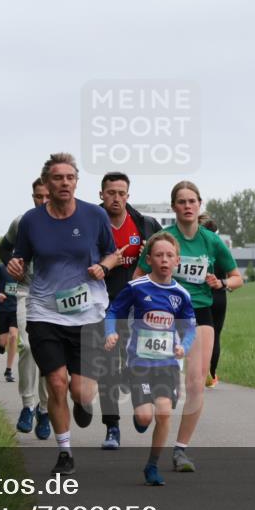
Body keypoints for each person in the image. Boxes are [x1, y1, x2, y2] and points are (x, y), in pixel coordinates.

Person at [8, 153, 118, 475]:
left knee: (80, 391)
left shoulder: (94, 216)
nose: (65, 183)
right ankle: (65, 451)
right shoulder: (31, 221)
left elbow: (112, 253)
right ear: (47, 183)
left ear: (76, 181)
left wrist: (104, 266)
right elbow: (19, 260)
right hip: (45, 312)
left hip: (87, 315)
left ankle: (83, 403)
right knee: (56, 382)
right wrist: (14, 266)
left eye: (70, 177)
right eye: (58, 178)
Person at [134, 181, 243, 473]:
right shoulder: (162, 239)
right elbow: (139, 274)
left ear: (199, 204)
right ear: (174, 207)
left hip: (200, 313)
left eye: (192, 201)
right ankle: (144, 410)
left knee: (196, 383)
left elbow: (236, 277)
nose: (187, 206)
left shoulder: (211, 241)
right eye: (181, 201)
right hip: (163, 314)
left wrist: (221, 283)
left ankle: (181, 450)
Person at [105, 232, 196, 486]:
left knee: (164, 413)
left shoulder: (181, 294)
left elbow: (190, 327)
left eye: (169, 255)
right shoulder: (136, 288)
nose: (164, 260)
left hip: (167, 363)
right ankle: (139, 412)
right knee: (145, 417)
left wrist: (184, 347)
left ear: (177, 260)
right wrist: (110, 332)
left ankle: (152, 465)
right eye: (158, 255)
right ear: (149, 258)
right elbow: (113, 311)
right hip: (140, 364)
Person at [98, 172, 162, 449]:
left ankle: (140, 408)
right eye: (111, 192)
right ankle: (112, 428)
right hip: (102, 302)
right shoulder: (91, 223)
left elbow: (166, 253)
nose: (116, 198)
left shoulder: (145, 225)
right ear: (101, 195)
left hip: (137, 303)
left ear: (128, 195)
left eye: (121, 193)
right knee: (108, 366)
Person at [0, 177, 52, 439]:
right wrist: (11, 264)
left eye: (47, 197)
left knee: (49, 355)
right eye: (37, 197)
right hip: (28, 291)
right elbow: (4, 248)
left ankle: (44, 409)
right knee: (28, 346)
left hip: (58, 297)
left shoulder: (71, 222)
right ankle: (28, 405)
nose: (42, 202)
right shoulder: (22, 222)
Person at [199, 214, 229, 388]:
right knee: (215, 336)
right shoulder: (220, 247)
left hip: (203, 295)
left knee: (200, 336)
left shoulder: (197, 249)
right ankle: (211, 374)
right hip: (220, 295)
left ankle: (199, 373)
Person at [0, 262, 19, 382]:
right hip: (3, 308)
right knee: (3, 342)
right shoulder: (1, 267)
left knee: (13, 336)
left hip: (16, 309)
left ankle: (9, 370)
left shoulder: (23, 268)